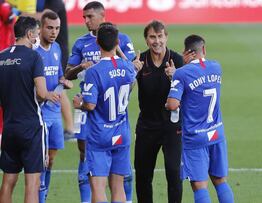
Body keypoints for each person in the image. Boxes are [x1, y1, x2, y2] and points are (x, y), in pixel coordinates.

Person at [64, 1, 136, 202]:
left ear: (102, 16)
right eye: (84, 17)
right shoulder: (81, 43)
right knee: (84, 154)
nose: (86, 21)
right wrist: (80, 67)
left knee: (98, 176)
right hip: (112, 117)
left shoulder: (121, 39)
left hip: (93, 110)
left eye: (90, 17)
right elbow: (67, 74)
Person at [166, 34, 234, 203]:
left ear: (189, 52)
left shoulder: (182, 74)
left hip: (195, 136)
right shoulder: (216, 67)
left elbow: (173, 104)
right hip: (216, 133)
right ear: (203, 49)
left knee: (199, 185)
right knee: (220, 181)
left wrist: (175, 78)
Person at [0, 16, 59, 203]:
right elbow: (41, 93)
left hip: (9, 127)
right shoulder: (34, 57)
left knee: (8, 181)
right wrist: (51, 94)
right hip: (32, 128)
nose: (37, 37)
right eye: (36, 33)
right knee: (32, 184)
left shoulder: (1, 57)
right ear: (29, 34)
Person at [133, 20, 183, 203]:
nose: (157, 41)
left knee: (174, 173)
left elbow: (190, 94)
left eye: (160, 36)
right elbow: (125, 90)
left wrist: (176, 77)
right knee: (143, 176)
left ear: (166, 37)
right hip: (147, 126)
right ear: (146, 40)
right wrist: (132, 72)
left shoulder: (177, 60)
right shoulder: (139, 61)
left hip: (172, 126)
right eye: (152, 37)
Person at [35, 10, 73, 203]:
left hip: (55, 113)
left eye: (57, 28)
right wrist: (42, 95)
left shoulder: (57, 48)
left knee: (51, 159)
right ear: (41, 28)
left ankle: (44, 193)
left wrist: (64, 82)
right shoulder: (33, 52)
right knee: (41, 161)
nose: (54, 32)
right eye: (50, 28)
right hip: (38, 113)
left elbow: (58, 76)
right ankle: (39, 198)